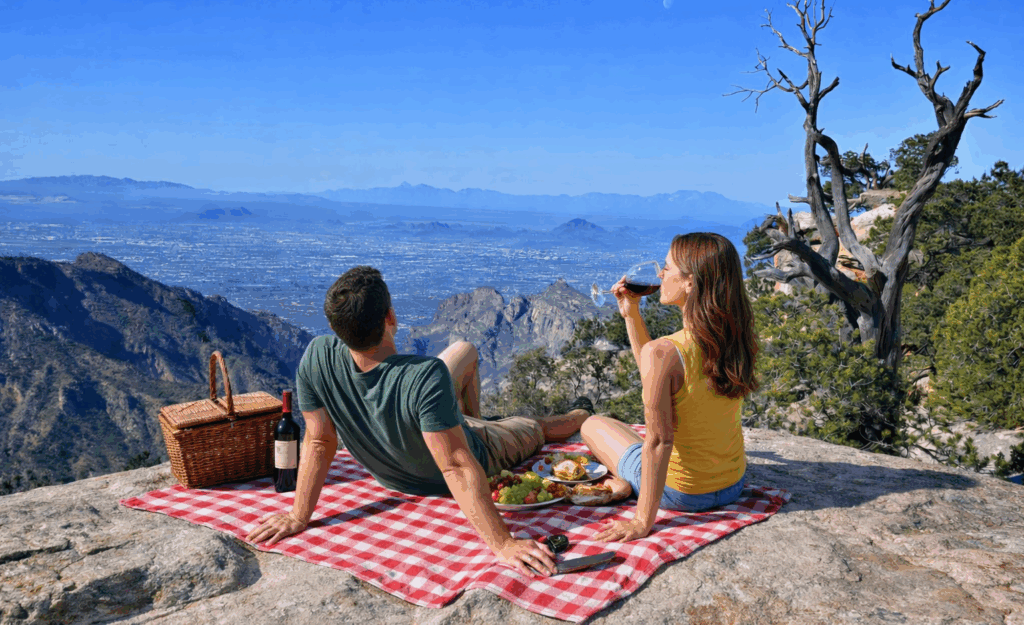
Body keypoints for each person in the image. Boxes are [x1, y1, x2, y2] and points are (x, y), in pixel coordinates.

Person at [245, 265, 596, 577]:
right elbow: (458, 467)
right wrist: (503, 544)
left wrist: (298, 517)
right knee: (534, 427)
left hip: (410, 453)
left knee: (465, 349)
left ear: (338, 329)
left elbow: (319, 441)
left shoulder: (318, 357)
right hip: (475, 452)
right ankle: (583, 412)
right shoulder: (424, 376)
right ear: (391, 318)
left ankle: (466, 421)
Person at [581, 232, 759, 543]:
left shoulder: (666, 351)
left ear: (690, 283)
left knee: (593, 424)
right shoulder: (736, 335)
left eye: (667, 267)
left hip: (682, 494)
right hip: (732, 485)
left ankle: (624, 484)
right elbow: (653, 373)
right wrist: (631, 314)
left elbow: (659, 443)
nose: (660, 275)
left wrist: (641, 521)